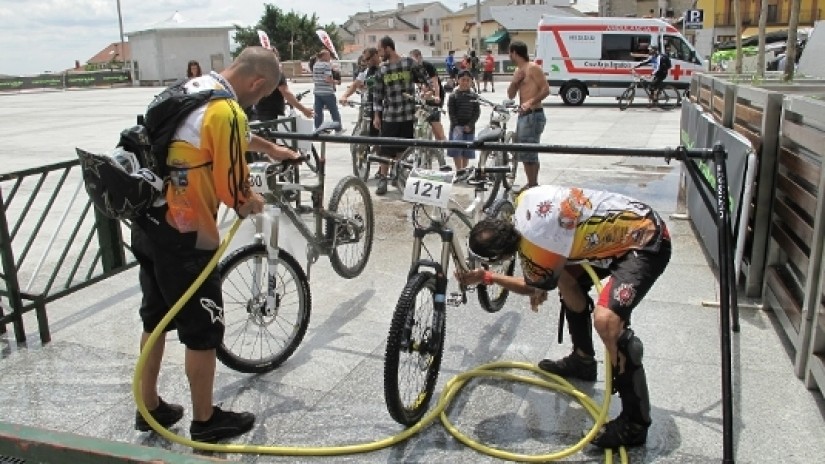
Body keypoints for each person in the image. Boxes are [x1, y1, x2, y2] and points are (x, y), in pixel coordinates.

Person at [132, 46, 302, 443]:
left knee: (156, 316)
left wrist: (270, 148)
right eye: (260, 97)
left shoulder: (193, 87)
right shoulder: (227, 110)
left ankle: (149, 405)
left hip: (149, 220)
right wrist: (251, 202)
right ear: (257, 81)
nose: (257, 102)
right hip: (186, 232)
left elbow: (215, 135)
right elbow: (235, 190)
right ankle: (206, 421)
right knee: (203, 328)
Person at [458, 185, 671, 449]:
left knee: (608, 321)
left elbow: (531, 286)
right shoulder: (523, 200)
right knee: (568, 280)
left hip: (647, 241)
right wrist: (540, 276)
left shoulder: (537, 248)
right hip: (623, 226)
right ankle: (582, 360)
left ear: (501, 256)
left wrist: (489, 277)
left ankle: (635, 423)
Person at [371, 36, 433, 195]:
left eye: (380, 50)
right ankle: (383, 179)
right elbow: (377, 96)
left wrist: (429, 90)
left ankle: (397, 175)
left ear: (388, 48)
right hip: (390, 115)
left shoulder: (408, 63)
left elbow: (425, 77)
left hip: (407, 115)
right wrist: (376, 116)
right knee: (385, 149)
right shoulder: (382, 70)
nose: (379, 54)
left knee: (403, 150)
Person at [507, 40, 550, 191]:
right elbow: (511, 95)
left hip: (533, 113)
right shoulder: (518, 71)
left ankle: (533, 183)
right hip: (523, 115)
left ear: (514, 53)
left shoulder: (533, 68)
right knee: (524, 152)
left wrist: (530, 102)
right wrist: (514, 82)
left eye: (509, 52)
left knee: (531, 152)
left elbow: (545, 89)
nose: (509, 56)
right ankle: (530, 183)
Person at [254, 48, 314, 121]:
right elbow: (285, 92)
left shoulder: (258, 73)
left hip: (258, 111)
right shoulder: (276, 73)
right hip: (273, 114)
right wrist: (304, 110)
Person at [339, 47, 381, 139]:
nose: (366, 62)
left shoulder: (385, 68)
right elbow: (355, 85)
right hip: (371, 108)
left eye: (368, 59)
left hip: (385, 109)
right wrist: (345, 95)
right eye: (364, 60)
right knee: (373, 136)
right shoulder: (367, 71)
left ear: (376, 55)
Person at [409, 49, 446, 145]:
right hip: (425, 96)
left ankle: (442, 142)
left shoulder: (428, 66)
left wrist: (436, 96)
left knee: (435, 123)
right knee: (421, 117)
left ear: (419, 57)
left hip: (436, 94)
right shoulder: (413, 69)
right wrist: (422, 92)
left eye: (414, 59)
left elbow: (435, 83)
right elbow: (419, 84)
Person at [446, 70, 480, 170]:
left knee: (467, 151)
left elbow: (476, 112)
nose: (465, 82)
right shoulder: (453, 96)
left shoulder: (474, 96)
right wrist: (456, 126)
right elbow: (451, 113)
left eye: (468, 80)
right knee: (456, 150)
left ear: (471, 82)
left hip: (469, 128)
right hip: (456, 127)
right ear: (457, 80)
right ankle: (459, 170)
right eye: (463, 80)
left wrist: (470, 125)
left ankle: (464, 170)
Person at [312, 48, 342, 132]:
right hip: (327, 92)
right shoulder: (326, 65)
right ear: (324, 56)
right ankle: (338, 128)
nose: (330, 57)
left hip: (317, 92)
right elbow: (327, 79)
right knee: (334, 110)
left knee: (318, 112)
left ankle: (318, 128)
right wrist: (336, 82)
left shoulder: (315, 65)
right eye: (328, 55)